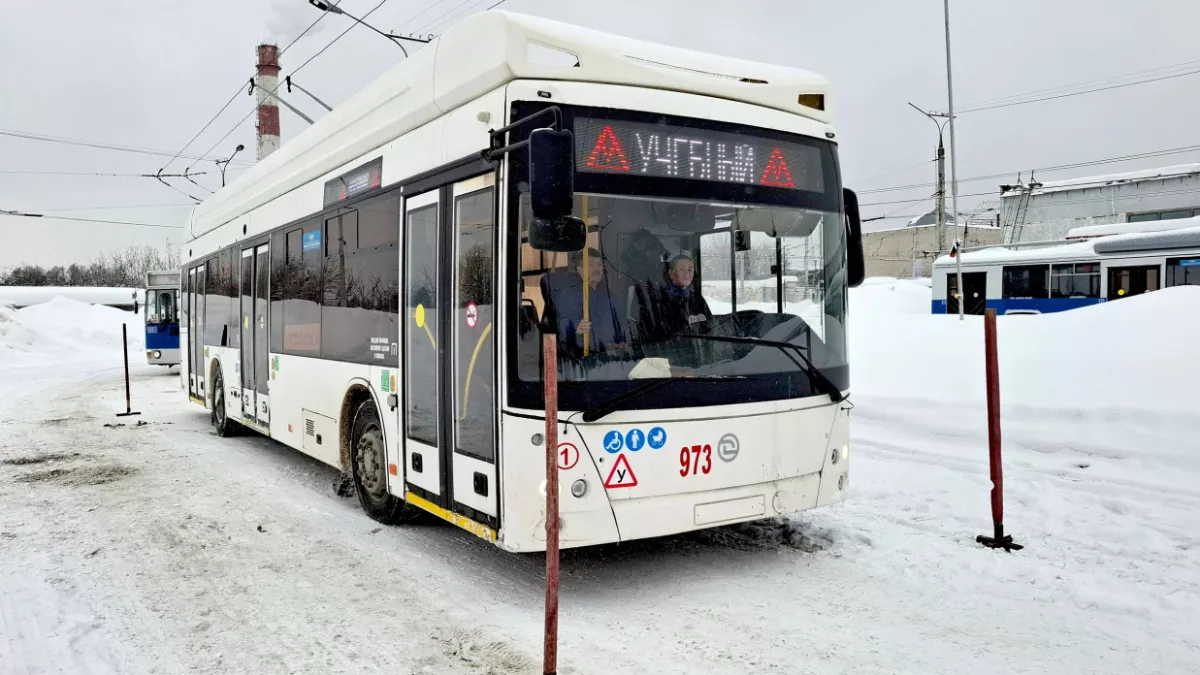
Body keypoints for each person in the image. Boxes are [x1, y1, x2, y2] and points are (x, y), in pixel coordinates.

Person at [543, 247, 626, 357]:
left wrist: (624, 341)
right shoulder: (568, 295)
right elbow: (564, 327)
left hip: (616, 355)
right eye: (591, 265)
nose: (597, 269)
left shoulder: (609, 295)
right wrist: (576, 329)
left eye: (599, 265)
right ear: (579, 269)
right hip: (587, 357)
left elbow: (622, 323)